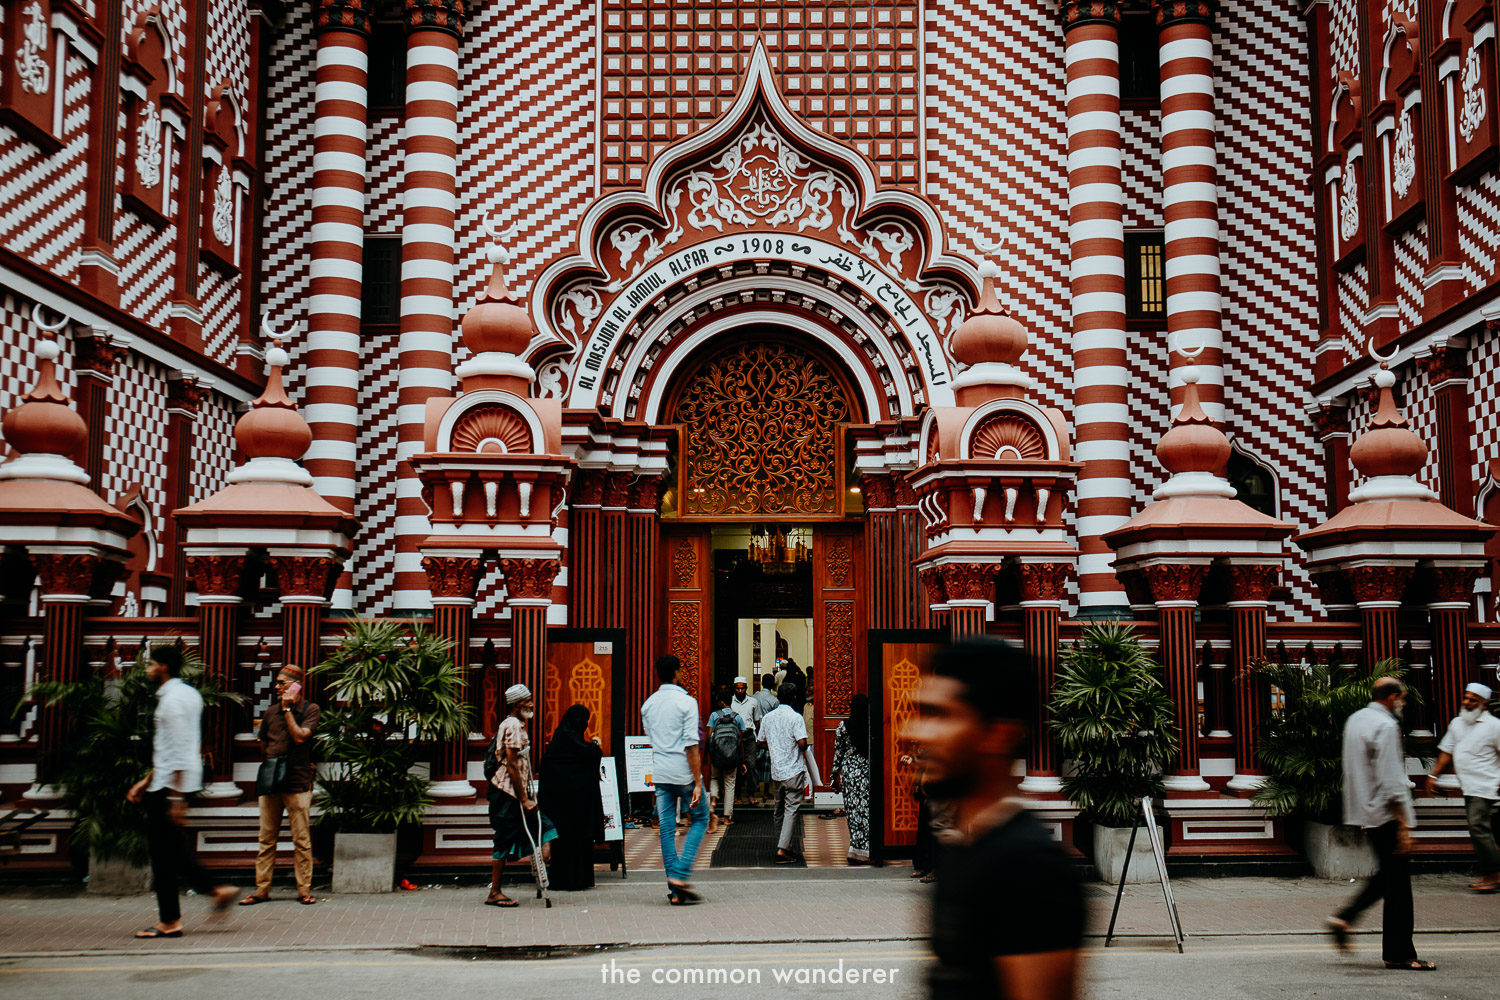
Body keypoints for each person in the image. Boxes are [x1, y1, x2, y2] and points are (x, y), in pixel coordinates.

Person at [911, 638, 1083, 1000]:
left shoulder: (1029, 867)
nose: (915, 733)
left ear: (997, 733)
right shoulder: (963, 848)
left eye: (940, 715)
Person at [125, 645, 237, 938]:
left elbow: (177, 750)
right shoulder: (189, 694)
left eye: (150, 664)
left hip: (169, 788)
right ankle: (217, 889)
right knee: (170, 850)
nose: (147, 669)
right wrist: (145, 781)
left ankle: (171, 920)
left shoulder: (172, 701)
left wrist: (175, 798)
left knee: (162, 856)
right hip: (167, 783)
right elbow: (178, 747)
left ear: (163, 667)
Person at [1326, 676, 1433, 970]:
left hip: (1367, 811)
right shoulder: (1386, 726)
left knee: (1389, 877)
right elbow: (1390, 779)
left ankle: (1345, 918)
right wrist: (1404, 825)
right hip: (1387, 813)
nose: (1403, 704)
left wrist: (1363, 814)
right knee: (1398, 888)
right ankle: (1399, 953)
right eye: (1403, 698)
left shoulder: (1356, 720)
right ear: (1392, 697)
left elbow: (1356, 770)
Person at [240, 664, 321, 906]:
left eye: (282, 682)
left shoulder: (310, 709)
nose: (277, 687)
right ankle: (261, 889)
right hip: (272, 781)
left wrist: (287, 710)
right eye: (276, 682)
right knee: (267, 837)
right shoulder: (269, 712)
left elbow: (299, 737)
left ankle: (303, 889)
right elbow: (263, 744)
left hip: (297, 781)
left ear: (296, 685)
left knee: (301, 839)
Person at [640, 655, 708, 904]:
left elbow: (651, 737)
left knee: (667, 829)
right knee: (701, 818)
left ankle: (675, 890)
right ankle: (680, 875)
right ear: (678, 673)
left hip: (660, 772)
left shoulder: (648, 705)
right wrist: (698, 781)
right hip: (683, 773)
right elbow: (691, 744)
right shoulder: (686, 702)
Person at [484, 683, 556, 907]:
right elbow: (513, 765)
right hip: (508, 793)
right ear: (516, 705)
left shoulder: (516, 724)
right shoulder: (513, 726)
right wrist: (523, 798)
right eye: (527, 701)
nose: (532, 704)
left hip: (514, 792)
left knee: (544, 827)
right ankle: (494, 891)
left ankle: (540, 862)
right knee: (504, 839)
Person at [1425, 682, 1500, 893]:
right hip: (1468, 786)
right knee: (1487, 830)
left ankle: (1492, 875)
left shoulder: (1494, 726)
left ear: (1483, 704)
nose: (1467, 702)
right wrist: (1432, 775)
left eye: (1473, 700)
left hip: (1487, 786)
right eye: (1466, 698)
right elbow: (1447, 751)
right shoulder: (1457, 723)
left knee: (1478, 827)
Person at [538, 703, 605, 892]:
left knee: (564, 844)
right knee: (577, 842)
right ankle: (579, 880)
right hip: (577, 807)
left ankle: (561, 880)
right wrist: (595, 745)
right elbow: (590, 754)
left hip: (559, 807)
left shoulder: (560, 740)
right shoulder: (572, 740)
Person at [758, 681, 809, 864]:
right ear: (795, 698)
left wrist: (773, 746)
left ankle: (784, 845)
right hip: (793, 769)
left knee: (778, 809)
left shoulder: (768, 718)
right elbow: (802, 743)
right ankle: (783, 848)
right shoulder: (796, 717)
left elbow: (760, 741)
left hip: (777, 770)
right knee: (791, 810)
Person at [831, 693, 872, 865]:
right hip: (867, 773)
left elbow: (838, 752)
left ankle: (855, 849)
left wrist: (834, 776)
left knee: (853, 812)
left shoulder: (843, 726)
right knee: (867, 811)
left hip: (849, 774)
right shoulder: (870, 726)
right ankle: (868, 849)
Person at [706, 686, 748, 832]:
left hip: (716, 756)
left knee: (714, 778)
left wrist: (707, 754)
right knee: (730, 784)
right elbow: (740, 740)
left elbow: (709, 736)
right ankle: (727, 818)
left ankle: (713, 800)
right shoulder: (737, 717)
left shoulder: (714, 716)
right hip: (732, 757)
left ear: (721, 703)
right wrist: (741, 761)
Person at [730, 676, 763, 806]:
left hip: (749, 736)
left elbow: (756, 720)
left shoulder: (753, 702)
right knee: (736, 766)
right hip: (734, 737)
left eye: (742, 688)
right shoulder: (731, 702)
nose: (740, 691)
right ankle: (737, 795)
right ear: (734, 688)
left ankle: (751, 794)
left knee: (751, 765)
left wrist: (759, 738)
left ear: (746, 688)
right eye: (737, 688)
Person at [753, 673, 780, 802]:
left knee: (754, 762)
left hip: (755, 732)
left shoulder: (754, 697)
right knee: (767, 764)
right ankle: (765, 792)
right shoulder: (774, 700)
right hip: (769, 733)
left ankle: (752, 792)